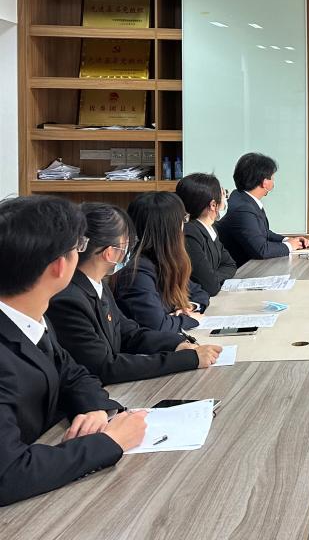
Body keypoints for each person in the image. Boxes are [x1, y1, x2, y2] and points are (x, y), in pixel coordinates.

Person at [0, 196, 147, 505]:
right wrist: (110, 441)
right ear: (59, 265)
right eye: (78, 246)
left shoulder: (31, 315)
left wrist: (95, 407)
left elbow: (73, 373)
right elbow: (8, 474)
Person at [48, 202, 222, 385]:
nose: (129, 250)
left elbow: (129, 333)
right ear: (109, 253)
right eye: (126, 244)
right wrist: (187, 359)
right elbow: (105, 367)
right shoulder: (68, 299)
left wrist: (176, 344)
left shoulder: (97, 285)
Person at [114, 192, 208, 334]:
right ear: (170, 229)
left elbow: (200, 293)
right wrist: (189, 319)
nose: (184, 226)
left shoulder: (166, 261)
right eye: (183, 219)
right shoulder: (137, 272)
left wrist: (190, 307)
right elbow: (158, 325)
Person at [217, 152, 309, 267]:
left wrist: (288, 240)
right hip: (242, 270)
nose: (273, 181)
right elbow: (261, 250)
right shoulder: (242, 209)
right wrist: (290, 246)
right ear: (265, 182)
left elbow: (262, 232)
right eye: (272, 178)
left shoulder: (242, 197)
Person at [176, 173, 237, 297]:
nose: (225, 197)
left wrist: (213, 276)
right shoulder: (189, 234)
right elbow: (210, 286)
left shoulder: (210, 228)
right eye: (223, 193)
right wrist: (213, 278)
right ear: (213, 205)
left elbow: (230, 265)